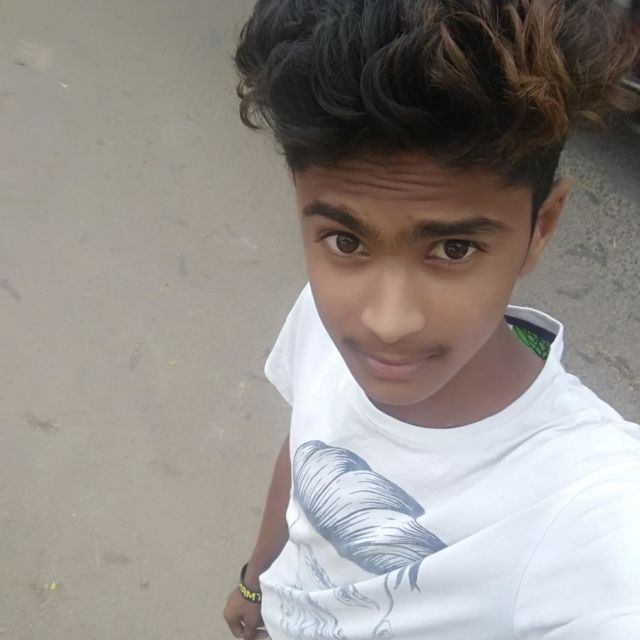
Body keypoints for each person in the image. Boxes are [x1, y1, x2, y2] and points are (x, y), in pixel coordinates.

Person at [223, 1, 640, 638]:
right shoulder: (321, 315)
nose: (386, 323)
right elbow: (306, 448)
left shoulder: (590, 505)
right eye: (344, 241)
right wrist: (256, 579)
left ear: (542, 228)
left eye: (454, 248)